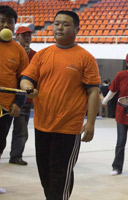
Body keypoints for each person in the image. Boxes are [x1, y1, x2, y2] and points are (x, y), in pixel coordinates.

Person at [20, 10, 100, 200]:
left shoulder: (85, 57)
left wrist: (90, 123)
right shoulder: (43, 55)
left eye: (65, 24)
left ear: (77, 29)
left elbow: (93, 92)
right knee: (45, 173)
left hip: (68, 128)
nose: (59, 27)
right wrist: (28, 87)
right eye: (56, 23)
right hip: (42, 124)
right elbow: (25, 78)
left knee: (60, 175)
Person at [102, 51, 128, 178]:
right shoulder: (120, 75)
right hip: (121, 113)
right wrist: (105, 101)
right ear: (127, 63)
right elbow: (113, 90)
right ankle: (117, 167)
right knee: (120, 141)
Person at [0, 5, 29, 194]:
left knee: (0, 144)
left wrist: (18, 103)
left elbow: (24, 79)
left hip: (5, 108)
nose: (5, 25)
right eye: (1, 20)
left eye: (9, 22)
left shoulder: (19, 51)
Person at [9, 26, 36, 166]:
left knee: (21, 130)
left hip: (25, 98)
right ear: (17, 36)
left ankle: (16, 155)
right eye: (23, 35)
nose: (27, 38)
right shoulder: (9, 51)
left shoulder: (36, 55)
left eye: (29, 35)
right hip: (7, 96)